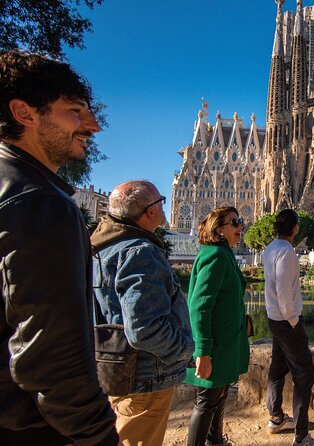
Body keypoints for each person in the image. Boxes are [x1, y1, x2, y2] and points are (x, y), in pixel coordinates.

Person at [0, 50, 119, 445]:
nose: (93, 125)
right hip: (33, 427)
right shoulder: (38, 201)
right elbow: (51, 352)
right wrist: (99, 435)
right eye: (75, 111)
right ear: (25, 113)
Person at [91, 180, 194, 446]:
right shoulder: (140, 252)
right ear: (149, 211)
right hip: (147, 376)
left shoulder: (102, 248)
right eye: (160, 201)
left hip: (115, 367)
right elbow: (144, 329)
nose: (164, 205)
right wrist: (184, 349)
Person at [184, 207, 250, 446]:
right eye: (234, 222)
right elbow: (199, 306)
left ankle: (216, 441)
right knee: (206, 402)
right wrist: (203, 350)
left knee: (218, 396)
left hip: (224, 344)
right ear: (219, 229)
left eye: (239, 222)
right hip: (215, 347)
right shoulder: (216, 256)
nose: (240, 227)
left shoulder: (224, 254)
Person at [263, 209, 314, 446]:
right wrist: (294, 320)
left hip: (274, 319)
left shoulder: (269, 249)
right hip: (287, 321)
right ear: (295, 228)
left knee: (277, 368)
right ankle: (301, 435)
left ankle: (276, 417)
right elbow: (284, 292)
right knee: (304, 374)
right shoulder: (286, 253)